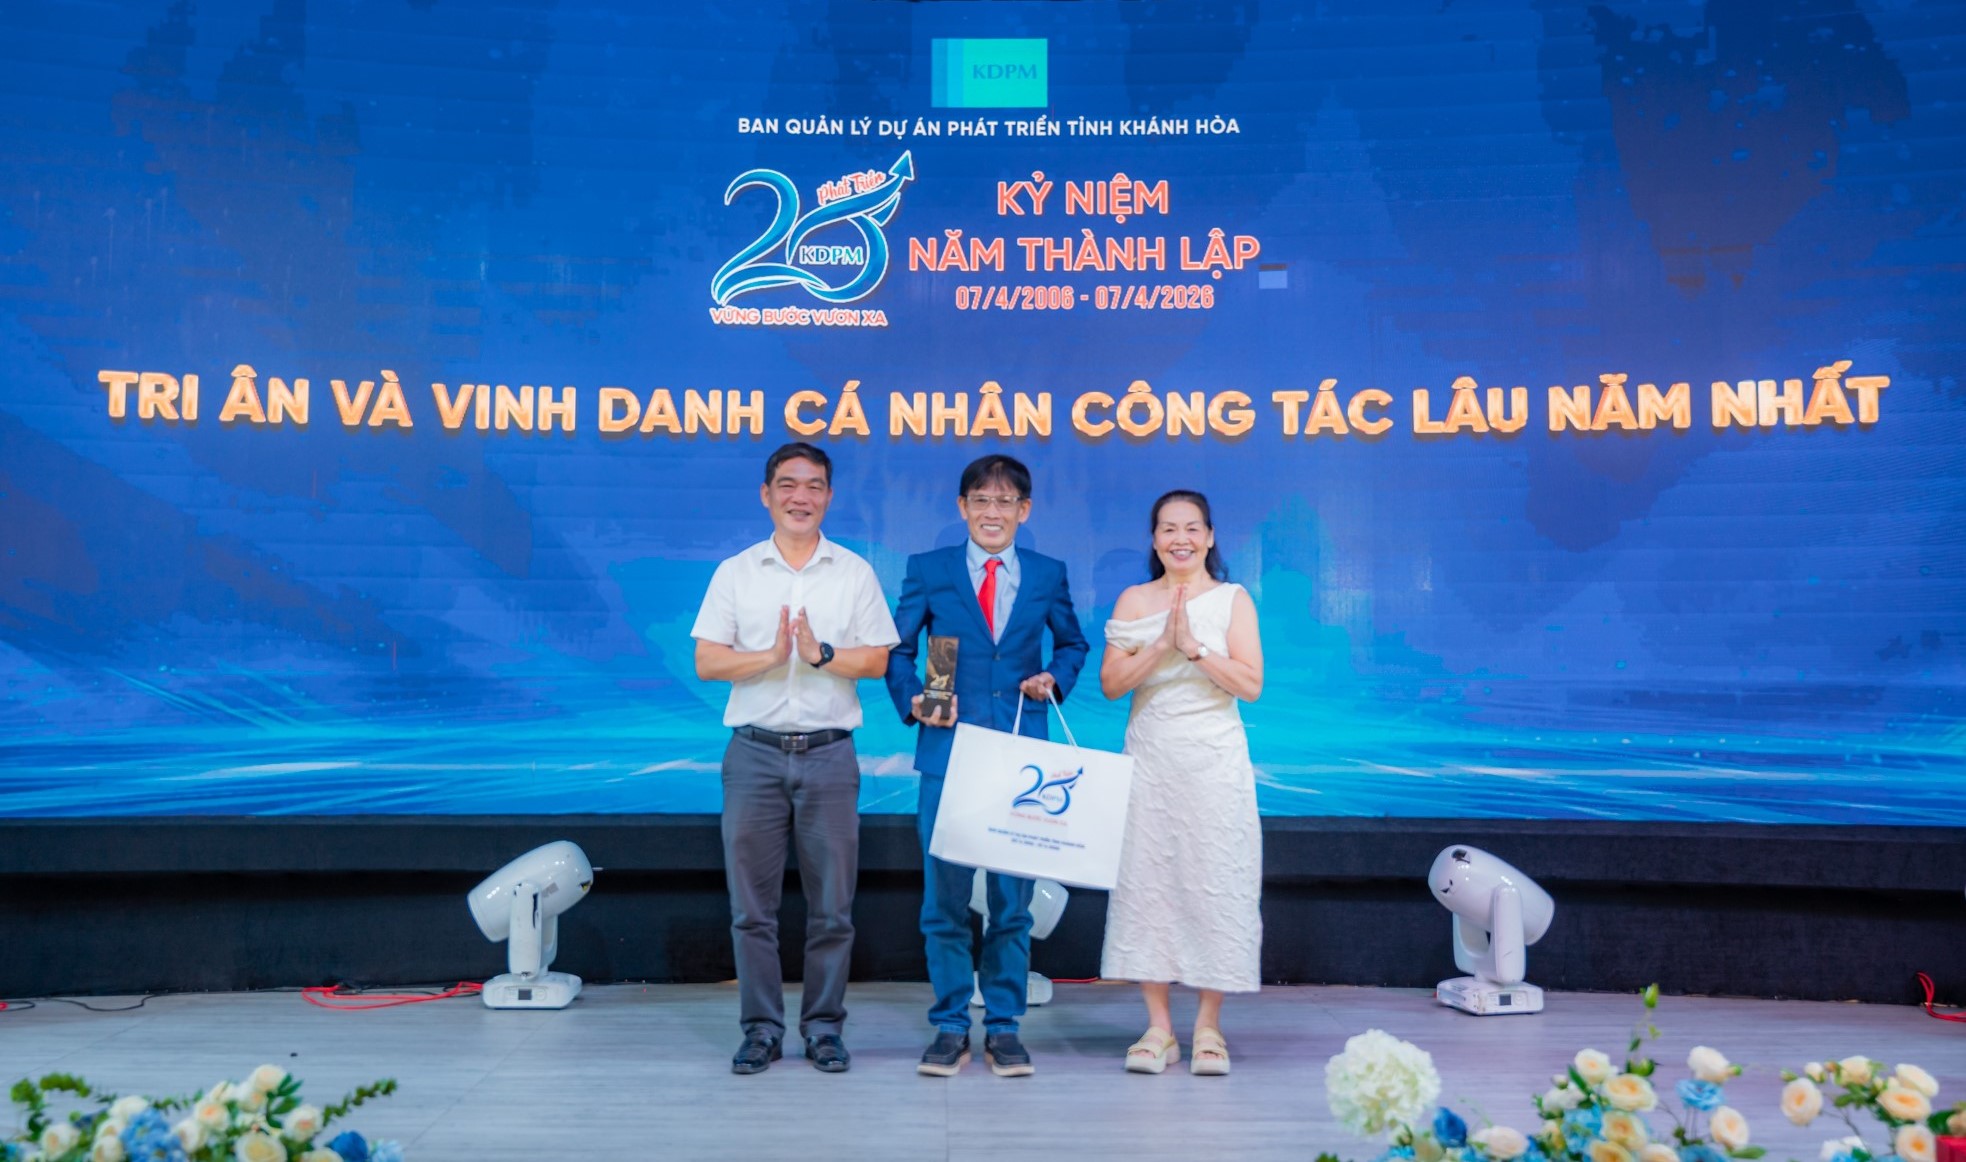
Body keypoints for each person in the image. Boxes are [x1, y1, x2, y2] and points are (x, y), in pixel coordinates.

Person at [691, 442, 899, 1075]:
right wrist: (770, 656)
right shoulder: (736, 572)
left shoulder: (854, 573)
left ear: (829, 497)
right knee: (751, 911)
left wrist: (820, 654)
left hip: (829, 757)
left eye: (813, 486)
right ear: (766, 494)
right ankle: (760, 1030)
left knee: (832, 910)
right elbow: (707, 660)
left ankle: (824, 1028)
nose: (799, 497)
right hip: (753, 755)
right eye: (787, 485)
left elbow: (878, 659)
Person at [885, 454, 1090, 1078]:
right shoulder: (929, 570)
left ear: (1024, 511)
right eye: (980, 500)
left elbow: (1073, 644)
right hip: (948, 754)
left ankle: (1004, 1025)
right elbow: (898, 650)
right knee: (943, 900)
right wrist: (915, 699)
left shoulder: (1048, 574)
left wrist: (1053, 678)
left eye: (1005, 502)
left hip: (1020, 758)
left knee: (1012, 903)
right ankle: (950, 1024)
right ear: (962, 507)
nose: (991, 512)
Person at [1098, 489, 1265, 1077]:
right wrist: (1162, 645)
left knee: (1215, 880)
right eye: (1168, 529)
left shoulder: (1233, 599)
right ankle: (1159, 1028)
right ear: (1154, 539)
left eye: (1192, 528)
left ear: (1210, 537)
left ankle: (1210, 1026)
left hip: (1214, 761)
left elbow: (1250, 685)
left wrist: (1192, 648)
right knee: (1149, 883)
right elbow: (1112, 684)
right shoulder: (1135, 598)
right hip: (1151, 757)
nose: (1181, 539)